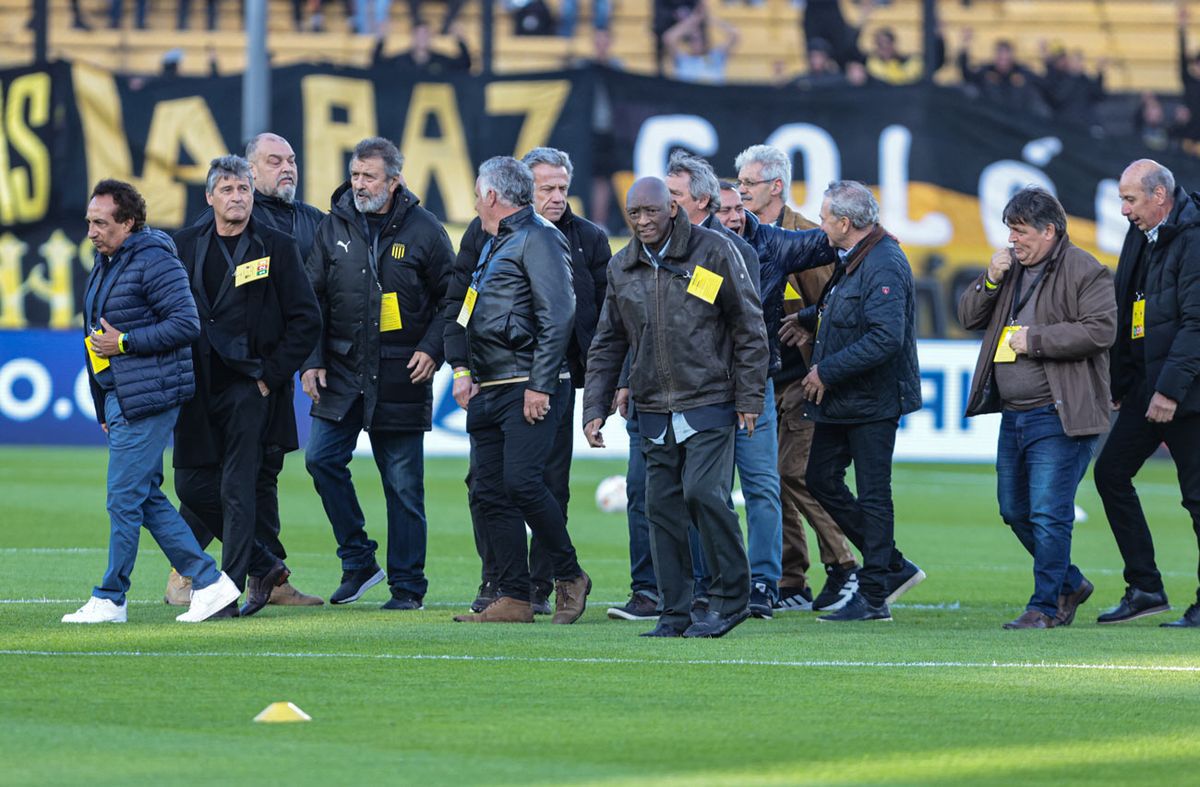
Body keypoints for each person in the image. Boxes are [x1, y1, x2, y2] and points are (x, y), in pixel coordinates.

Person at [583, 177, 769, 638]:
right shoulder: (622, 265)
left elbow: (748, 325)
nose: (642, 221)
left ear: (671, 208)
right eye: (634, 214)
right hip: (652, 407)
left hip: (710, 399)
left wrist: (749, 397)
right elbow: (608, 340)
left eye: (650, 211)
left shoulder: (714, 251)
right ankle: (675, 612)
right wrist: (594, 406)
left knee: (703, 494)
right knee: (661, 509)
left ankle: (730, 600)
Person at [64, 178, 239, 624]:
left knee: (122, 498)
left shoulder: (156, 259)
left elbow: (186, 323)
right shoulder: (106, 261)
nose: (91, 232)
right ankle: (210, 582)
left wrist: (125, 343)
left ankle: (111, 596)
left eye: (101, 223)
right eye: (89, 222)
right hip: (122, 396)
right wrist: (103, 403)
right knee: (143, 497)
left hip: (150, 395)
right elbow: (94, 338)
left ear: (128, 222)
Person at [167, 132, 328, 610]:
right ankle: (265, 564)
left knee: (240, 488)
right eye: (228, 189)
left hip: (249, 387)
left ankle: (227, 591)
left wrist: (269, 375)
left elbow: (307, 319)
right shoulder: (184, 244)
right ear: (210, 197)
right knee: (190, 483)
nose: (237, 197)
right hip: (198, 385)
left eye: (243, 189)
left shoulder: (276, 245)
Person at [450, 148, 610, 616]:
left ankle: (569, 574)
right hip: (490, 383)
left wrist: (540, 383)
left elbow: (559, 313)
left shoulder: (539, 237)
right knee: (487, 490)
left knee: (522, 483)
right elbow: (466, 307)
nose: (475, 203)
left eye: (477, 195)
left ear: (491, 195)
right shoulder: (493, 240)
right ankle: (514, 594)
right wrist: (464, 367)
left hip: (526, 384)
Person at [303, 137, 453, 611]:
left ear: (394, 181)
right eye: (355, 175)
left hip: (400, 372)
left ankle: (408, 588)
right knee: (320, 460)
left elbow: (454, 299)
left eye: (369, 176)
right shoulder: (332, 226)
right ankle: (358, 561)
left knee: (403, 488)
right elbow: (311, 300)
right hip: (342, 371)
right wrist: (311, 360)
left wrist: (433, 348)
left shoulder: (426, 230)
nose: (359, 184)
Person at [959, 187, 1116, 629]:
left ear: (1050, 231)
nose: (1013, 239)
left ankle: (1044, 607)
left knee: (1049, 513)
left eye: (1021, 231)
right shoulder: (1009, 269)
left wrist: (1037, 340)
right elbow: (968, 317)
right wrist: (990, 280)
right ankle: (1070, 583)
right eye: (1010, 230)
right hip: (1014, 413)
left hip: (1060, 413)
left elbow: (1102, 330)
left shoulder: (1085, 269)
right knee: (1014, 509)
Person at [779, 180, 924, 622]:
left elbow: (885, 337)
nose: (819, 226)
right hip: (846, 399)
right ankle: (891, 564)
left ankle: (874, 593)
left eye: (824, 218)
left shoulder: (884, 262)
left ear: (845, 222)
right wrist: (807, 318)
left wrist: (826, 370)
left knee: (874, 493)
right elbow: (842, 307)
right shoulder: (856, 256)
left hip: (873, 399)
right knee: (820, 478)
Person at [733, 146, 858, 613]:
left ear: (776, 186)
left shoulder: (807, 236)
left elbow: (838, 302)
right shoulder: (737, 233)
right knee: (772, 479)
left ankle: (845, 566)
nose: (742, 190)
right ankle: (791, 579)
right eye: (739, 182)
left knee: (796, 473)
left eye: (749, 182)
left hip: (805, 378)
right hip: (764, 379)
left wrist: (811, 325)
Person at [666, 152, 782, 619]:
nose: (665, 204)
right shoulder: (663, 247)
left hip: (740, 387)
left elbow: (748, 329)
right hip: (698, 390)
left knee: (759, 485)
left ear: (700, 200)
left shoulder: (732, 250)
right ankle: (706, 582)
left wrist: (748, 392)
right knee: (700, 489)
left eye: (673, 195)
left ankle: (763, 582)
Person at [1094, 160, 1200, 629]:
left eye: (1130, 199)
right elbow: (1129, 308)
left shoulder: (1193, 239)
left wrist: (1170, 391)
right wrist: (1121, 382)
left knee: (1197, 499)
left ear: (1160, 196)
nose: (1124, 210)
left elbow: (1196, 324)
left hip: (1187, 392)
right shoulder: (1144, 233)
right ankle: (1145, 588)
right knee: (1111, 473)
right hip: (1145, 385)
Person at [958, 31, 1047, 116]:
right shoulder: (987, 71)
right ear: (995, 57)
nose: (1003, 62)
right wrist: (965, 45)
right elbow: (967, 75)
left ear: (1012, 57)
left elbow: (1044, 83)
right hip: (992, 117)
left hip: (1017, 118)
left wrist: (1044, 55)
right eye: (1000, 58)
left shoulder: (1021, 71)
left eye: (1006, 58)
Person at [664, 0, 739, 85]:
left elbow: (735, 35)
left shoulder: (716, 57)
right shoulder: (683, 60)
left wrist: (709, 19)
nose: (696, 42)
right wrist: (693, 19)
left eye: (700, 39)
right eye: (693, 39)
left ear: (705, 40)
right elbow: (668, 38)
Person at [374, 21, 472, 74]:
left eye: (425, 34)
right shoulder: (400, 60)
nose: (422, 38)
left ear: (430, 37)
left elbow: (464, 65)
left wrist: (461, 40)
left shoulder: (441, 60)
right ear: (413, 37)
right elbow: (378, 66)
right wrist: (381, 40)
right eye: (418, 34)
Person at [865, 25, 944, 85]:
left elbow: (936, 62)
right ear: (875, 46)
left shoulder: (912, 62)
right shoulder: (870, 66)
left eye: (888, 43)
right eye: (880, 44)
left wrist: (938, 39)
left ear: (894, 44)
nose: (885, 48)